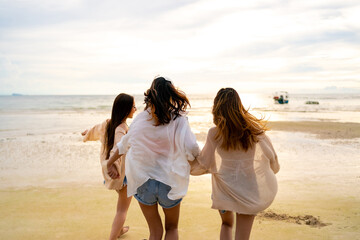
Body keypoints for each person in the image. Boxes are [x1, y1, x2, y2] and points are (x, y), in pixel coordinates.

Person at [107, 77, 200, 240]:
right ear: (171, 95)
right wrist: (202, 164)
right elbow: (192, 148)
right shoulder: (179, 119)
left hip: (143, 181)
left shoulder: (141, 118)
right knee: (171, 228)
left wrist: (109, 163)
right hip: (170, 182)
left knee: (155, 232)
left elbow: (123, 145)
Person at [190, 88, 280, 240]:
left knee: (226, 225)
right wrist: (270, 171)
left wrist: (184, 161)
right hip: (250, 189)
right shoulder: (254, 131)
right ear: (239, 105)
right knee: (242, 237)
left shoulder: (215, 133)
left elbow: (204, 164)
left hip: (225, 189)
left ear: (216, 108)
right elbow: (273, 161)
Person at [82, 93, 137, 240]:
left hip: (111, 174)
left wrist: (87, 134)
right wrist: (112, 164)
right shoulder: (122, 128)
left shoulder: (108, 123)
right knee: (122, 210)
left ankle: (118, 231)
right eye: (133, 106)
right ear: (126, 109)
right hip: (121, 174)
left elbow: (95, 129)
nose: (136, 109)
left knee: (121, 205)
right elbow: (118, 148)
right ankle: (113, 236)